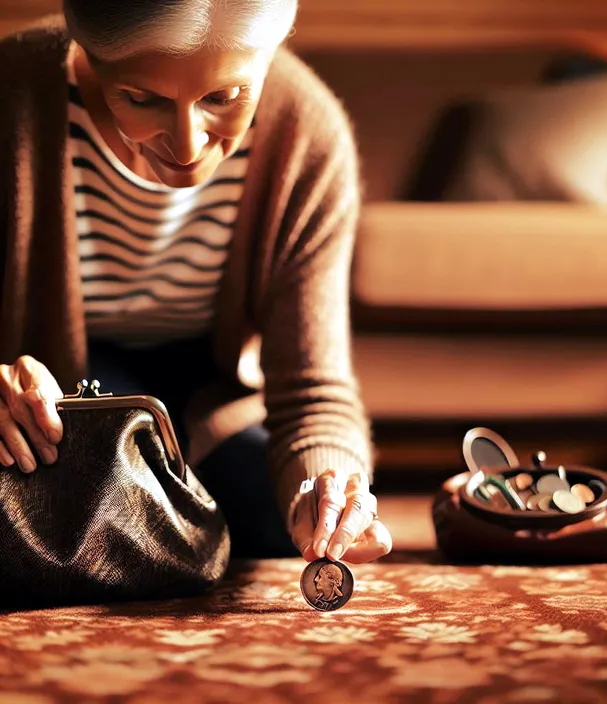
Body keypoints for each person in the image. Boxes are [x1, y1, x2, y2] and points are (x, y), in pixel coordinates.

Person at [0, 0, 392, 564]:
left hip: (212, 399)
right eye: (141, 98)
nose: (187, 147)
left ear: (269, 53)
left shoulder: (307, 133)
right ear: (88, 52)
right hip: (59, 408)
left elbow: (312, 386)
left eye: (224, 98)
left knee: (272, 520)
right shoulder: (13, 93)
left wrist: (329, 481)